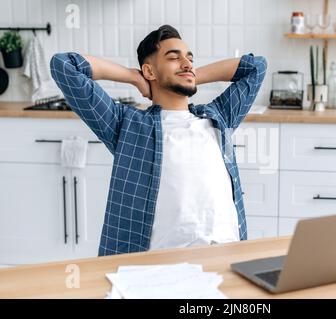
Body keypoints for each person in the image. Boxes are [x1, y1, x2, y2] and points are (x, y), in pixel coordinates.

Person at [50, 25, 267, 256]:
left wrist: (188, 75)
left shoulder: (218, 116)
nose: (186, 63)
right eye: (174, 58)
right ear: (150, 71)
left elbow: (256, 67)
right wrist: (134, 76)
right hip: (158, 264)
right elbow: (64, 65)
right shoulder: (128, 125)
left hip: (227, 254)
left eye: (189, 59)